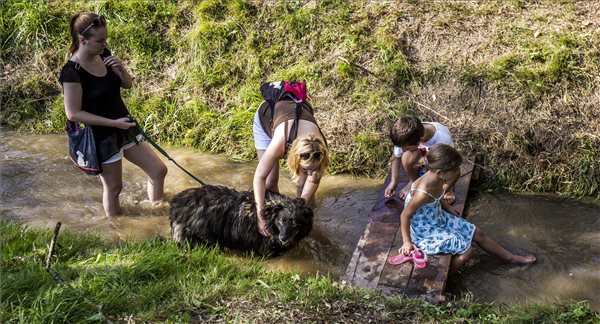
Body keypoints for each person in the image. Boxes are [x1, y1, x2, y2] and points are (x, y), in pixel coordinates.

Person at [59, 12, 167, 217]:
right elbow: (73, 114)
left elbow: (127, 84)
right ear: (83, 40)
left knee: (158, 170)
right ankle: (117, 230)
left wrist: (121, 69)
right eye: (99, 40)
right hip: (101, 136)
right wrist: (113, 123)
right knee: (115, 188)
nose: (104, 44)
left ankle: (157, 214)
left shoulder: (105, 55)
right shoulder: (72, 72)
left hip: (124, 127)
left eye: (105, 39)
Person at [396, 144, 535, 275]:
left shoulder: (436, 178)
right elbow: (405, 216)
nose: (458, 172)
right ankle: (447, 278)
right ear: (440, 172)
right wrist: (407, 242)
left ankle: (510, 258)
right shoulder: (422, 193)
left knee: (477, 233)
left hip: (437, 218)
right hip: (425, 231)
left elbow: (436, 196)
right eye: (455, 170)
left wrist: (448, 207)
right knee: (468, 251)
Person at [253, 92, 329, 237]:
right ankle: (274, 223)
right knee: (270, 180)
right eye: (305, 169)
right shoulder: (279, 144)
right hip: (267, 118)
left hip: (296, 114)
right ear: (295, 158)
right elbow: (259, 178)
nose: (310, 173)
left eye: (313, 169)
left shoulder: (320, 149)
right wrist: (260, 215)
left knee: (303, 186)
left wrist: (301, 206)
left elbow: (313, 181)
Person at [384, 115, 457, 203]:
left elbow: (451, 165)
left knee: (445, 170)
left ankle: (447, 190)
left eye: (406, 148)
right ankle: (413, 181)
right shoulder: (407, 135)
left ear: (420, 141)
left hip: (441, 158)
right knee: (406, 156)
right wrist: (393, 181)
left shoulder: (442, 139)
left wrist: (445, 188)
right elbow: (395, 157)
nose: (403, 150)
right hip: (424, 155)